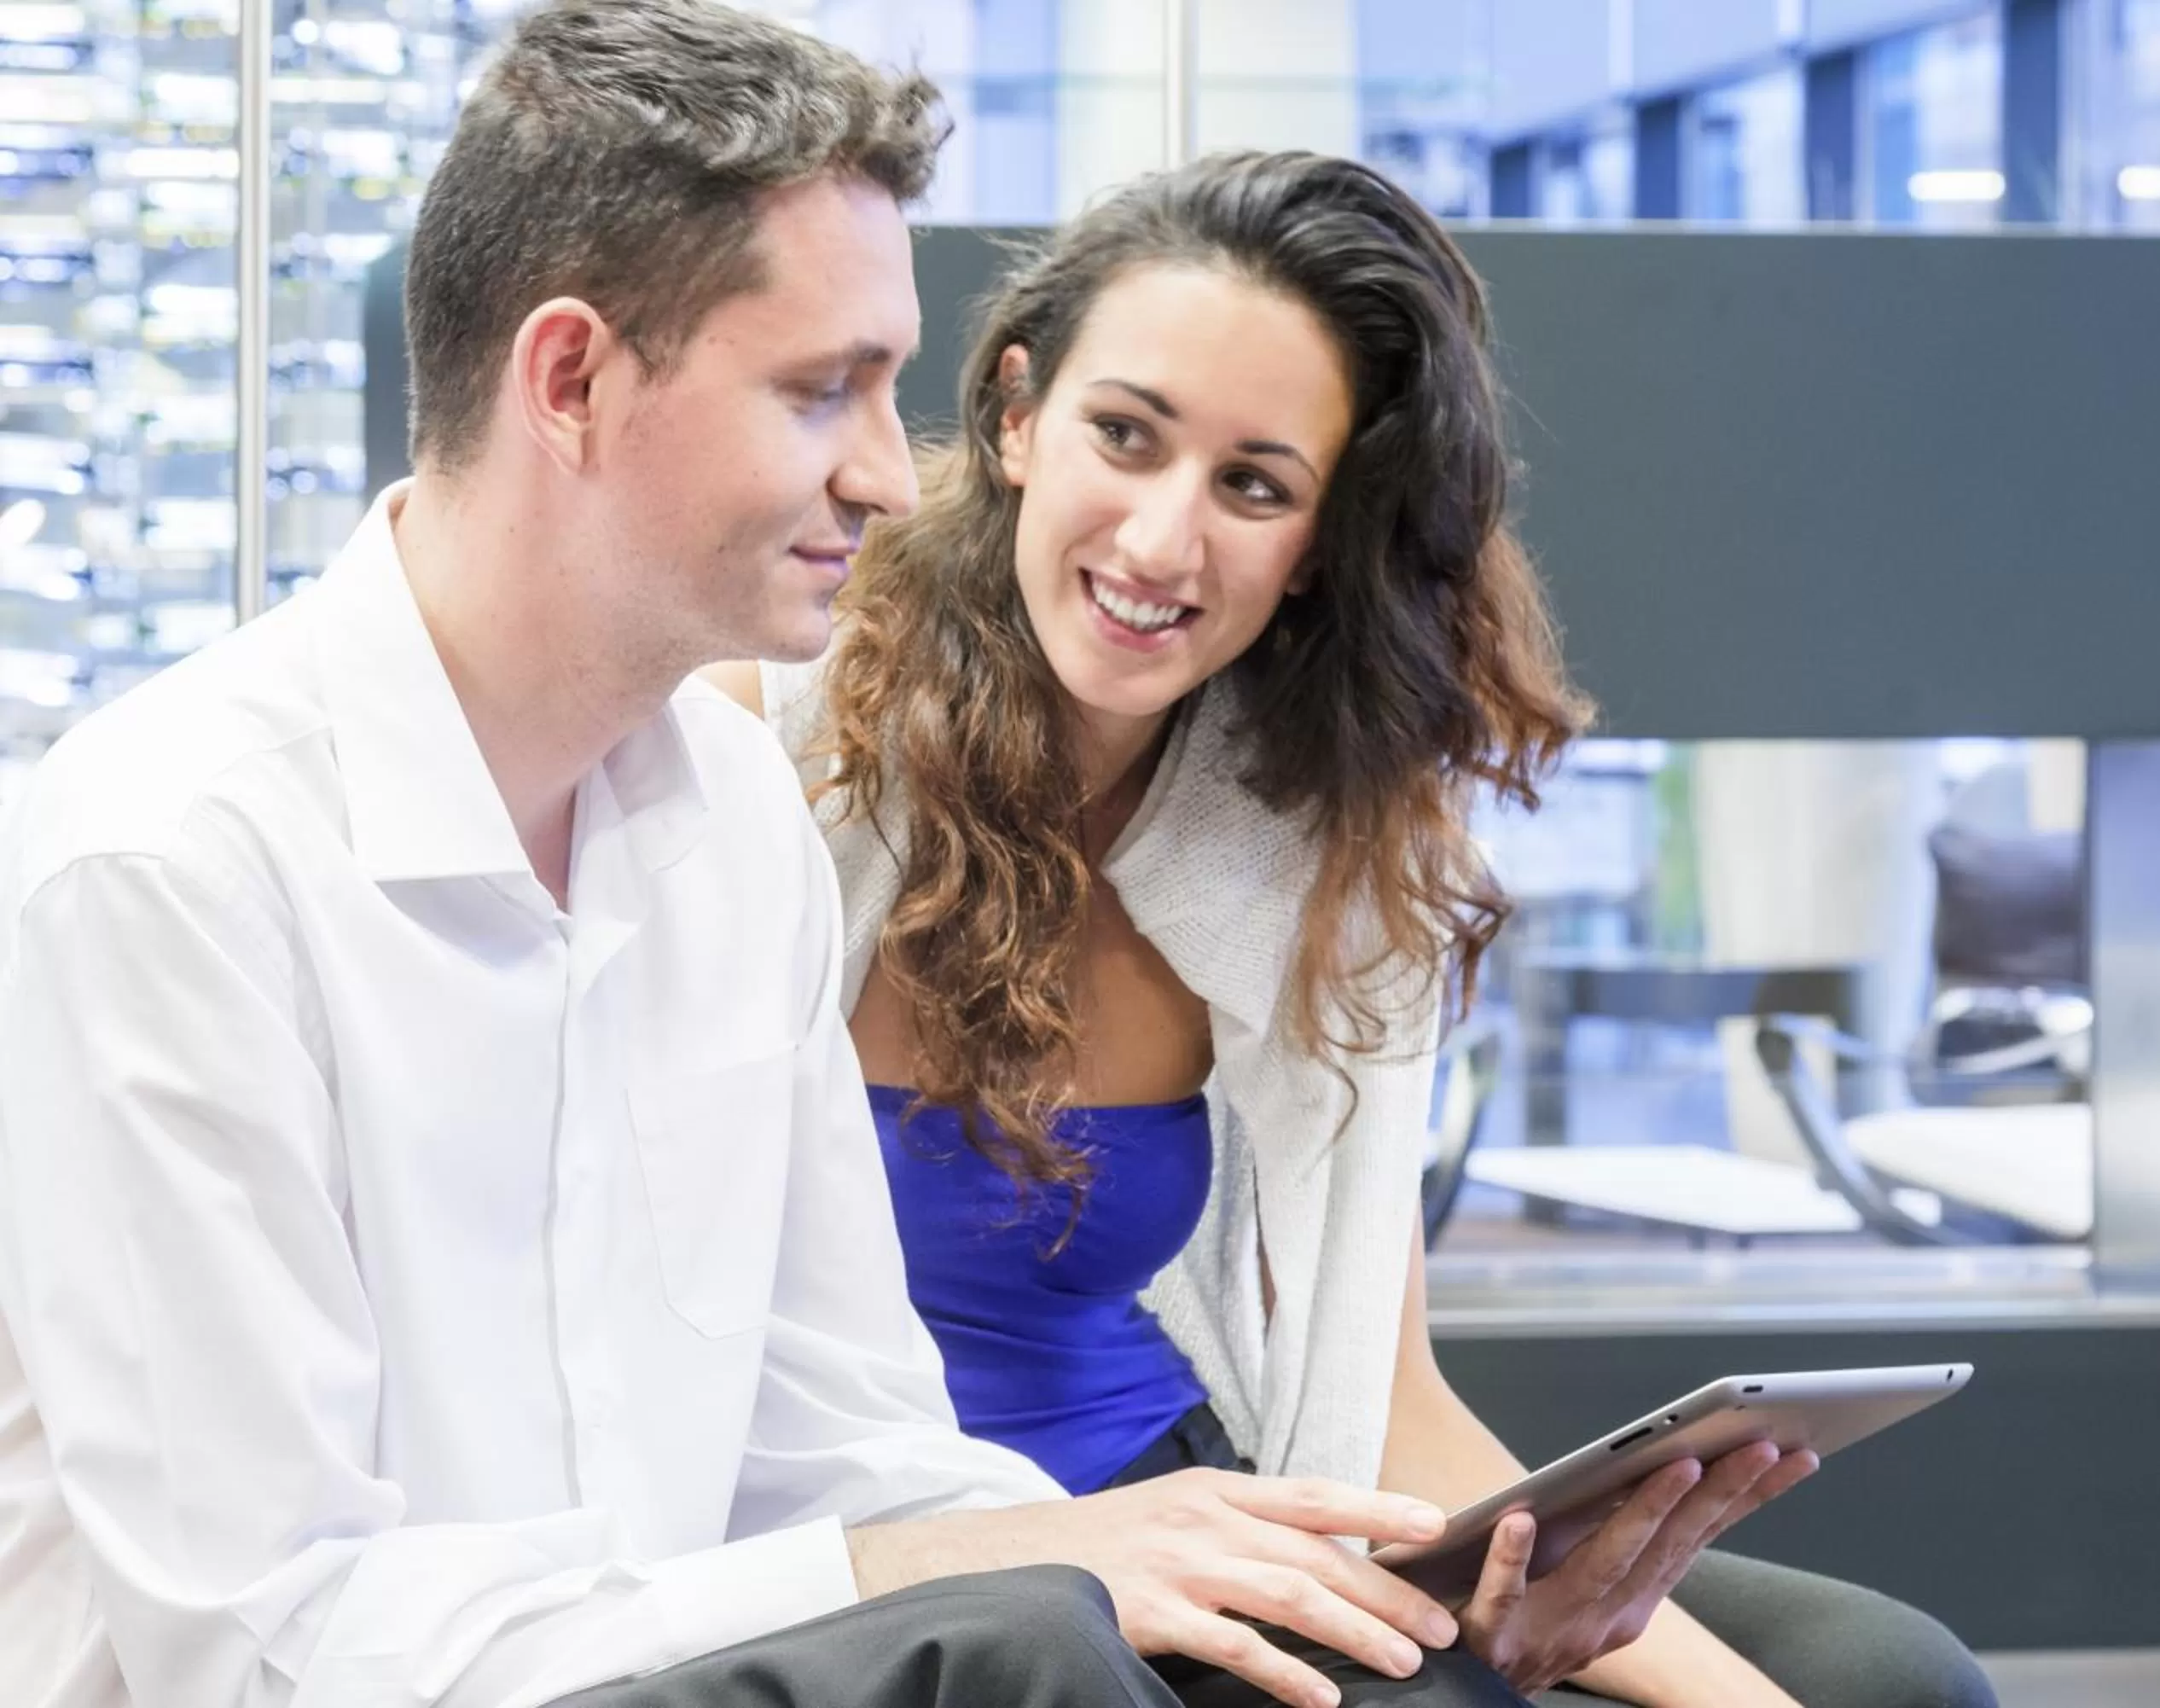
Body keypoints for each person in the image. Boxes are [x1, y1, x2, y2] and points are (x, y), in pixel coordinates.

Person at [0, 9, 1663, 1708]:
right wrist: (964, 1576)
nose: (889, 468)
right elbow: (269, 1640)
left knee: (1332, 1663)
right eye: (822, 391)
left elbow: (855, 1444)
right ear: (569, 379)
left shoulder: (724, 813)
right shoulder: (171, 858)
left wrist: (1166, 1558)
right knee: (1036, 1643)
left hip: (687, 1654)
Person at [721, 150, 1998, 1708]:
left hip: (1214, 1488)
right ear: (1012, 417)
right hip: (911, 1572)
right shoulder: (771, 748)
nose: (1160, 542)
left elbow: (1382, 1405)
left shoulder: (1306, 843)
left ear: (1321, 537)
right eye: (1124, 437)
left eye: (1254, 484)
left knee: (1889, 1677)